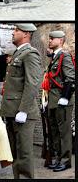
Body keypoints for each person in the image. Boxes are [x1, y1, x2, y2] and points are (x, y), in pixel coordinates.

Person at [0, 23, 44, 179]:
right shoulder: (18, 54)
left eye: (16, 30)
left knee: (23, 154)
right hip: (13, 111)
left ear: (26, 34)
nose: (13, 33)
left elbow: (33, 83)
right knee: (15, 153)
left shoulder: (30, 54)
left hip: (21, 112)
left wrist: (23, 110)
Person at [41, 30, 75, 172]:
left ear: (60, 40)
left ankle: (66, 161)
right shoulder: (55, 57)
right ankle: (58, 159)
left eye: (52, 38)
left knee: (64, 132)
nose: (49, 40)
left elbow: (71, 78)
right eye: (49, 38)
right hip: (53, 100)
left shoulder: (64, 55)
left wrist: (65, 97)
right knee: (54, 132)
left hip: (62, 100)